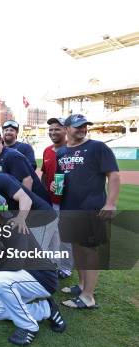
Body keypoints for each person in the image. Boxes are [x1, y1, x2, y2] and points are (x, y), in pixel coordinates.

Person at [0, 193, 67, 346]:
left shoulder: (14, 225)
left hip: (42, 279)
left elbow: (15, 263)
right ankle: (46, 309)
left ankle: (28, 326)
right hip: (21, 277)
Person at [56, 114, 119, 309]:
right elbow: (61, 178)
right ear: (67, 128)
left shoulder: (98, 147)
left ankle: (88, 297)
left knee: (89, 249)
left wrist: (110, 203)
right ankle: (82, 285)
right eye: (77, 126)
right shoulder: (62, 152)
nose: (82, 129)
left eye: (84, 126)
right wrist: (56, 187)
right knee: (76, 246)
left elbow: (114, 176)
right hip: (69, 207)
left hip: (91, 208)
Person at [41, 117, 73, 278]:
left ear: (66, 130)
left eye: (57, 129)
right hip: (50, 201)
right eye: (51, 129)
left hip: (68, 202)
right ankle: (54, 264)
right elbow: (45, 175)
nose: (53, 132)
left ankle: (66, 268)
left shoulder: (73, 149)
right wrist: (43, 192)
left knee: (66, 237)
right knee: (52, 236)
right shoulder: (47, 151)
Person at [0, 127, 50, 203]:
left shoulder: (11, 155)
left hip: (38, 204)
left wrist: (22, 204)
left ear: (1, 139)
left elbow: (28, 180)